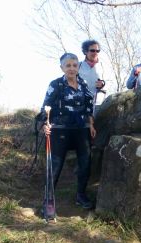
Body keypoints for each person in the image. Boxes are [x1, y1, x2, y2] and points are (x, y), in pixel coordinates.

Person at [41, 53, 96, 210]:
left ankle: (81, 195)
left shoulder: (84, 84)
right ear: (62, 68)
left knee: (85, 163)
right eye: (68, 65)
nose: (71, 68)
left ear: (78, 66)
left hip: (81, 129)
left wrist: (91, 124)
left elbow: (88, 106)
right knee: (55, 165)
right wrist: (46, 124)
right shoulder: (56, 84)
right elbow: (45, 107)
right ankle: (48, 200)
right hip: (59, 130)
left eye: (74, 65)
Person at [78, 39, 107, 116]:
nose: (95, 53)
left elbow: (112, 82)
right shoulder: (78, 65)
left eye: (97, 51)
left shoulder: (104, 66)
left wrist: (103, 83)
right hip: (81, 104)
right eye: (92, 50)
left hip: (99, 104)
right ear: (85, 51)